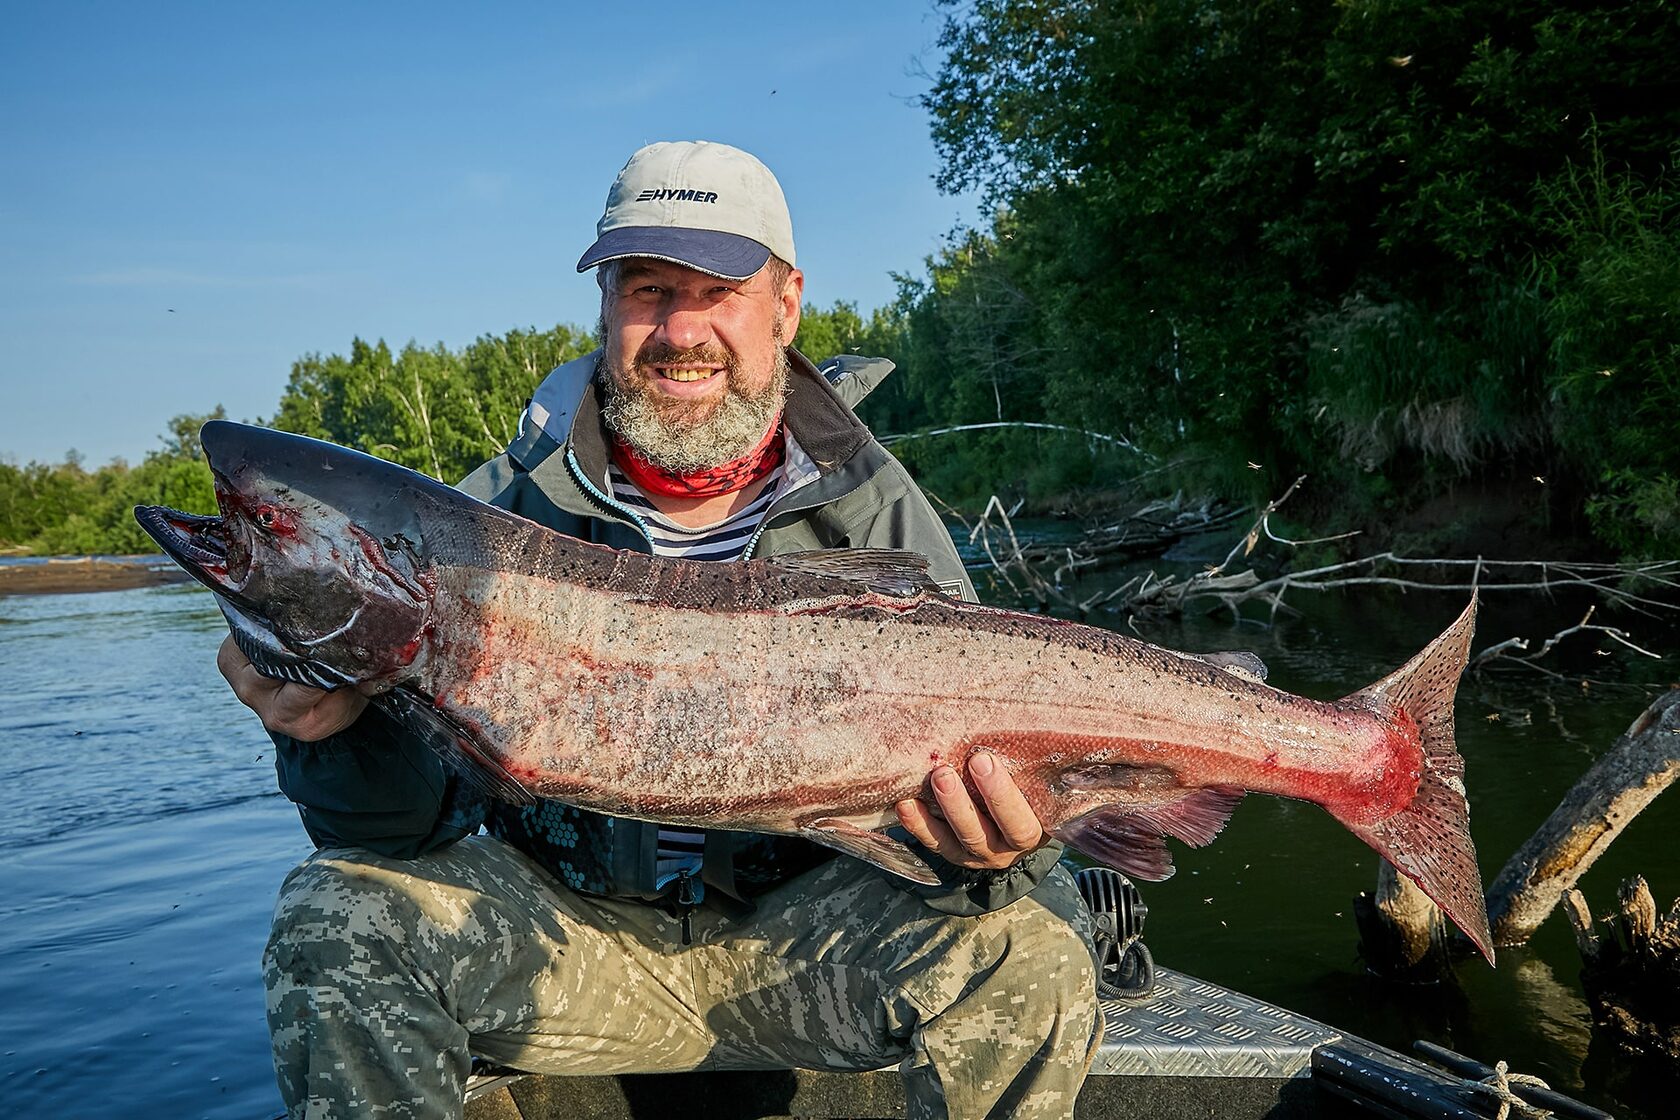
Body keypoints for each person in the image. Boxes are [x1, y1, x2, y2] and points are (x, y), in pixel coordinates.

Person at [219, 140, 1098, 1120]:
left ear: (787, 303)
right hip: (572, 949)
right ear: (604, 306)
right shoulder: (469, 533)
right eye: (645, 289)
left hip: (807, 949)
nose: (680, 329)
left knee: (1032, 945)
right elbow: (389, 831)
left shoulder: (877, 514)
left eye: (717, 289)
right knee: (339, 912)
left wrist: (1001, 850)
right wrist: (323, 734)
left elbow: (989, 821)